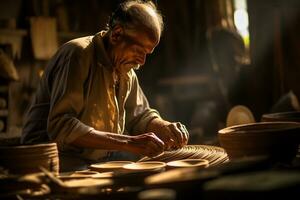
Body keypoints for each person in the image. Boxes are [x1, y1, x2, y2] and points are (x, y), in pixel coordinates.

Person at [21, 0, 189, 171]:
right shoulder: (77, 55)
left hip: (91, 159)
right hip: (48, 158)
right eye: (139, 50)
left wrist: (163, 126)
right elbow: (61, 125)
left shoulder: (126, 70)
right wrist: (128, 142)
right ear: (116, 34)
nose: (142, 61)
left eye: (147, 53)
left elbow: (139, 115)